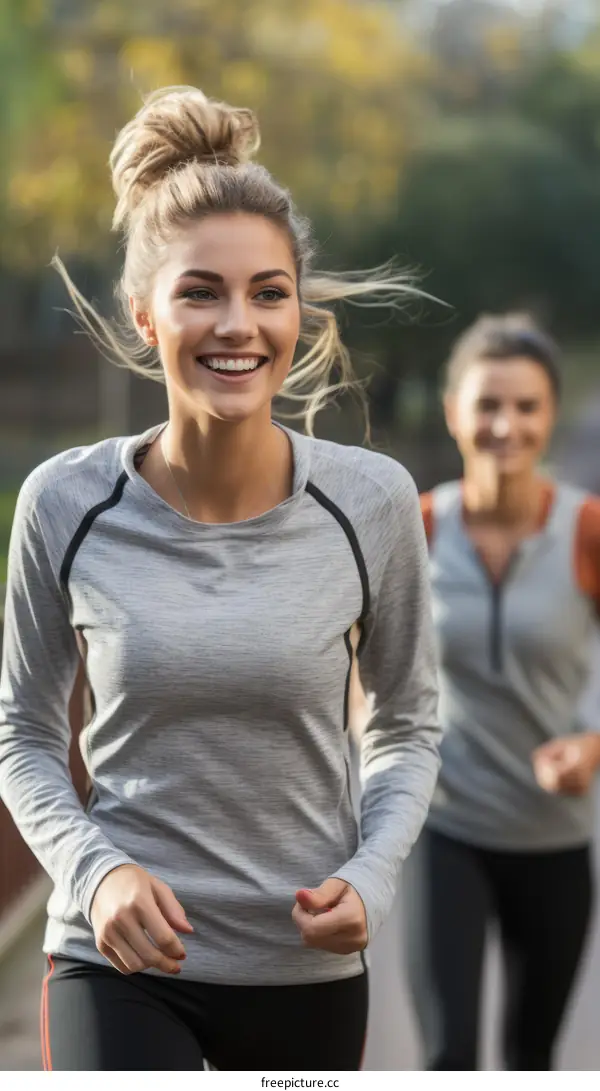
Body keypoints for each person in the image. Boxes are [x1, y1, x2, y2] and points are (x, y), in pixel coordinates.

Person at [0, 86, 440, 1072]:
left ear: (298, 309)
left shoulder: (370, 503)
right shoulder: (64, 503)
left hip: (304, 969)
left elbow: (408, 722)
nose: (237, 324)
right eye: (201, 290)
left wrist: (372, 876)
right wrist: (95, 870)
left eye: (268, 291)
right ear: (146, 314)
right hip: (113, 960)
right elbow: (24, 732)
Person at [403, 312, 600, 1071]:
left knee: (530, 1058)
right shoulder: (416, 524)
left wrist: (591, 742)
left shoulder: (585, 530)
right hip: (445, 826)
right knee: (449, 1056)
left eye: (526, 406)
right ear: (454, 411)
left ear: (550, 416)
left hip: (554, 834)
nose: (504, 424)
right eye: (487, 404)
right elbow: (364, 665)